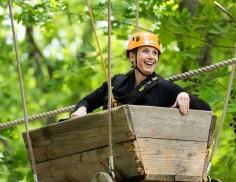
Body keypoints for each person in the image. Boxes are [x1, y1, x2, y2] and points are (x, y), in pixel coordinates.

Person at [71, 31, 211, 118]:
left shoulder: (163, 88)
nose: (151, 57)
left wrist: (185, 96)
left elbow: (206, 109)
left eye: (155, 53)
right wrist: (82, 109)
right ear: (132, 56)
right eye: (145, 51)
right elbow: (86, 101)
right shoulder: (116, 83)